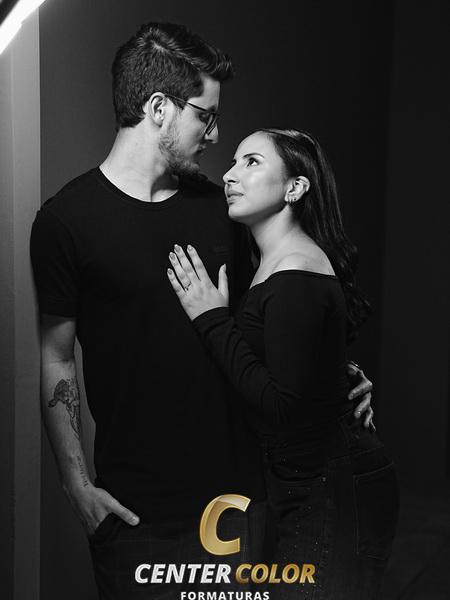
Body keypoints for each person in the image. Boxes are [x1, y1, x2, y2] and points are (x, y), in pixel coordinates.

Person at [31, 22, 374, 600]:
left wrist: (334, 372)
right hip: (133, 514)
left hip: (238, 503)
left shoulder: (224, 210)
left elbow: (277, 315)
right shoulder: (65, 222)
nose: (215, 135)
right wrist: (75, 484)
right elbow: (55, 358)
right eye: (204, 116)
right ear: (158, 108)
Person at [167, 128, 398, 599]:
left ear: (295, 187)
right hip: (307, 482)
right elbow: (297, 364)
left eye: (251, 162)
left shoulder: (296, 269)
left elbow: (282, 404)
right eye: (233, 162)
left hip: (332, 486)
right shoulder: (276, 264)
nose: (230, 175)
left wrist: (211, 320)